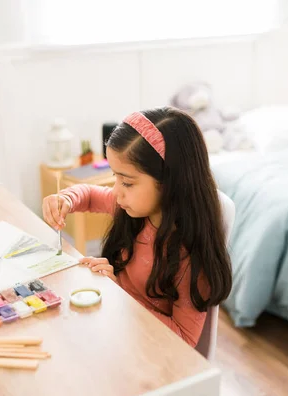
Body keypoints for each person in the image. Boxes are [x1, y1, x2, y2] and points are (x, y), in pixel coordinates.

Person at [42, 107, 235, 347]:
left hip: (154, 354)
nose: (116, 191)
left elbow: (183, 340)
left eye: (127, 182)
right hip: (121, 330)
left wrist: (119, 294)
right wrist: (66, 199)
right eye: (115, 177)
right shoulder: (133, 208)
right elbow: (89, 194)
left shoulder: (189, 254)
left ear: (170, 181)